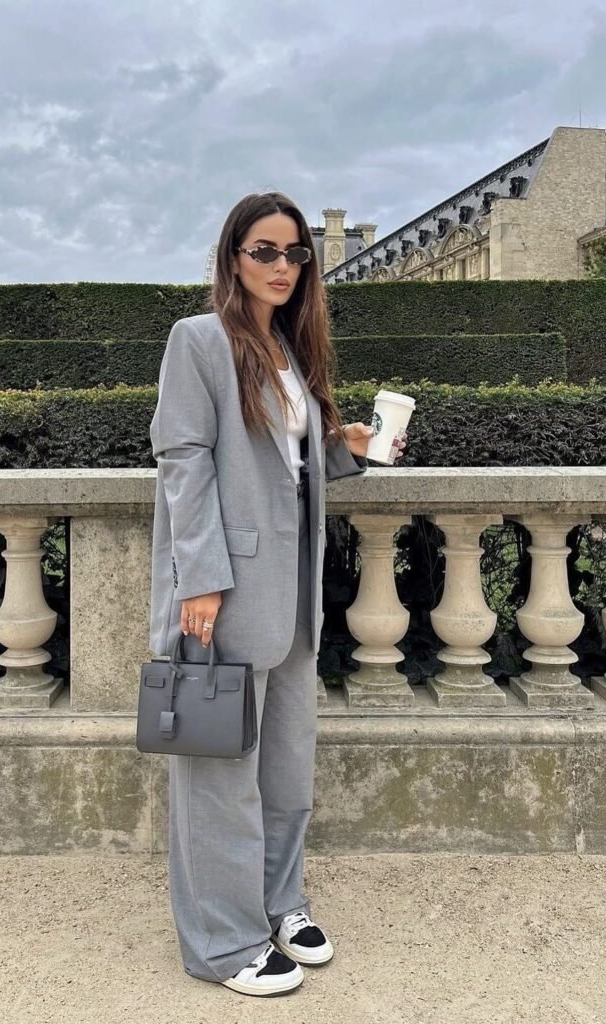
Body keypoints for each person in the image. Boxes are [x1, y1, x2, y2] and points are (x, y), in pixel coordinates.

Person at [149, 191, 407, 997]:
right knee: (220, 767)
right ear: (233, 258)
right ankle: (224, 942)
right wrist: (201, 578)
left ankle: (279, 902)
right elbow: (183, 458)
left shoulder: (289, 351)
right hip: (224, 588)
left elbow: (282, 469)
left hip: (295, 595)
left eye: (295, 254)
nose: (283, 267)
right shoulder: (199, 341)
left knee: (287, 763)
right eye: (265, 251)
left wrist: (343, 446)